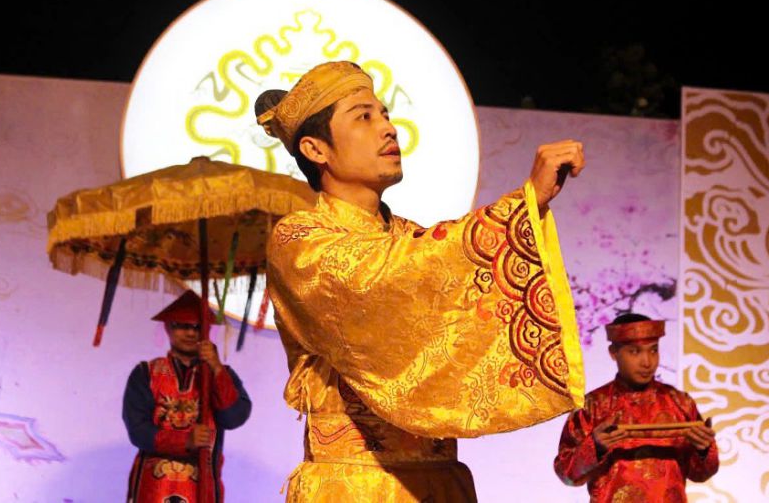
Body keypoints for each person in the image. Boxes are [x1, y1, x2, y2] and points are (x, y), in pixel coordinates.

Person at [258, 60, 586, 502]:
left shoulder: (410, 237)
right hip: (354, 487)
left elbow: (454, 306)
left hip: (439, 481)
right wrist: (521, 205)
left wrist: (526, 211)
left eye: (386, 114)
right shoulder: (300, 239)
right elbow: (379, 276)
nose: (388, 129)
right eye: (364, 116)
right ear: (316, 150)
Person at [553, 313, 719, 502]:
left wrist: (704, 449)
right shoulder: (593, 406)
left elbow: (701, 474)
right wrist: (595, 446)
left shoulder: (680, 403)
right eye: (634, 352)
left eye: (653, 350)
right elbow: (566, 474)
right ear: (613, 352)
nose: (647, 362)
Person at [123, 290, 252, 503]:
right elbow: (138, 430)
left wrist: (216, 368)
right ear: (168, 327)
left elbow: (234, 417)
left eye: (197, 327)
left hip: (201, 482)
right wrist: (185, 440)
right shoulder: (146, 373)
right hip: (155, 484)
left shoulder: (222, 374)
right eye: (182, 326)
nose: (191, 333)